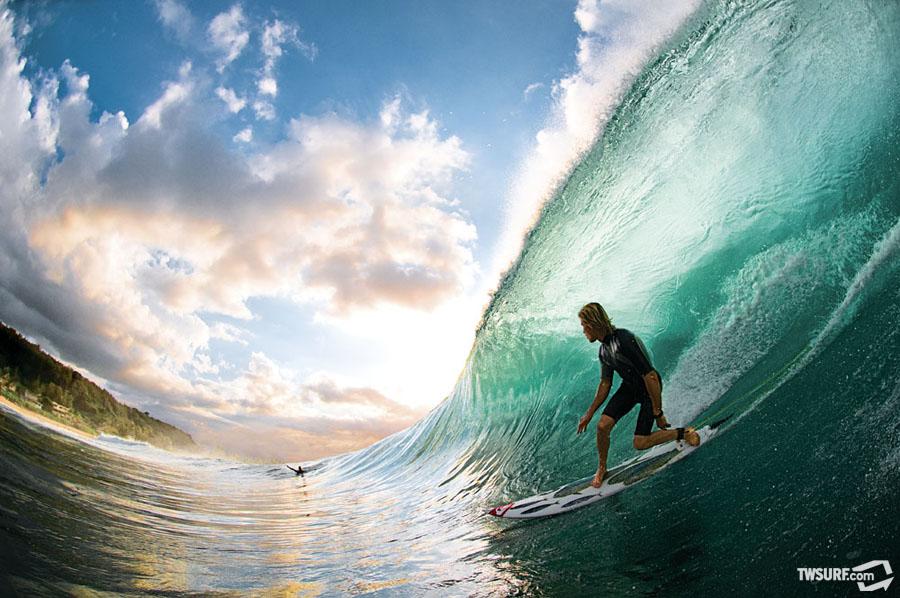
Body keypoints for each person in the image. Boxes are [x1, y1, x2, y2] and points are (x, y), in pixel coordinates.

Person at [576, 302, 699, 488]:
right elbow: (605, 383)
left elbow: (650, 376)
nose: (583, 330)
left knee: (640, 443)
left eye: (584, 325)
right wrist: (590, 413)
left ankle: (684, 432)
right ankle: (602, 468)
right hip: (630, 388)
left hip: (648, 388)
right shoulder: (604, 351)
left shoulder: (624, 339)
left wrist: (658, 412)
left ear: (593, 323)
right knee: (602, 426)